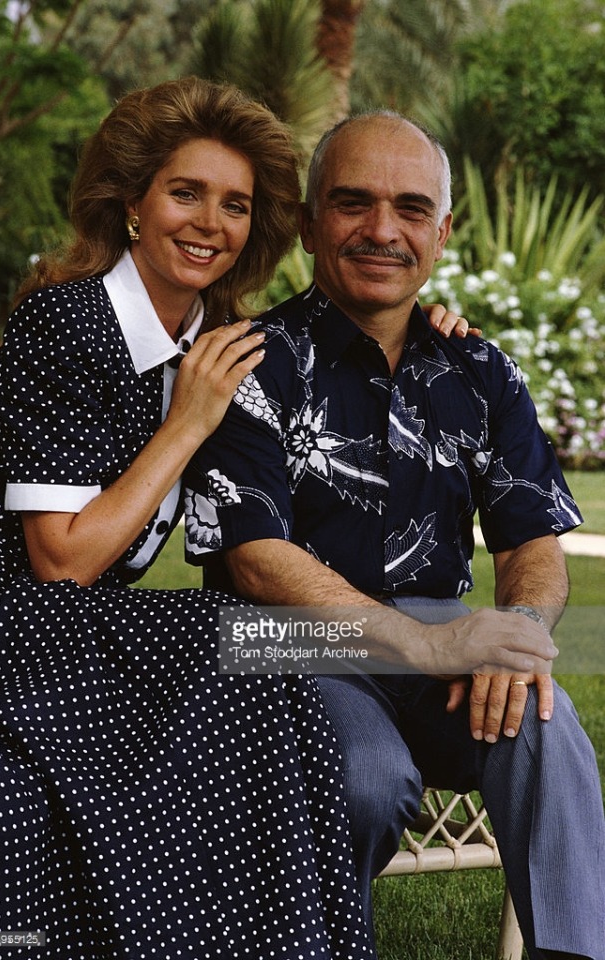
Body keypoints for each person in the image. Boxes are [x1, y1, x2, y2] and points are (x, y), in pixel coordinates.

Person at [0, 79, 469, 958]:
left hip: (80, 634)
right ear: (133, 203)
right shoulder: (67, 322)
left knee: (261, 673)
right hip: (4, 621)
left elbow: (342, 348)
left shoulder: (217, 337)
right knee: (230, 640)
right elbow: (60, 562)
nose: (210, 223)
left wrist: (420, 328)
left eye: (235, 204)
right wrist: (188, 422)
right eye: (185, 192)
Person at [184, 110, 605, 960]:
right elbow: (258, 563)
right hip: (286, 646)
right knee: (366, 780)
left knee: (541, 718)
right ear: (308, 223)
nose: (384, 230)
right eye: (352, 204)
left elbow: (531, 543)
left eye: (411, 209)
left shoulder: (483, 372)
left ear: (442, 233)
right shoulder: (248, 362)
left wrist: (518, 634)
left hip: (434, 639)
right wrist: (429, 645)